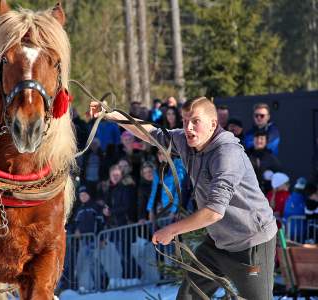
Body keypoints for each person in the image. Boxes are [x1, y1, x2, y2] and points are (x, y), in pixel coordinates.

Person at [90, 96, 277, 300]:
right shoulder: (186, 142)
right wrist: (111, 114)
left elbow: (214, 212)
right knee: (188, 297)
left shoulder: (227, 154)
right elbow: (150, 132)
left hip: (251, 242)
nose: (188, 127)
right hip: (218, 243)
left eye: (195, 121)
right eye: (185, 120)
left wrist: (172, 230)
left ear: (213, 124)